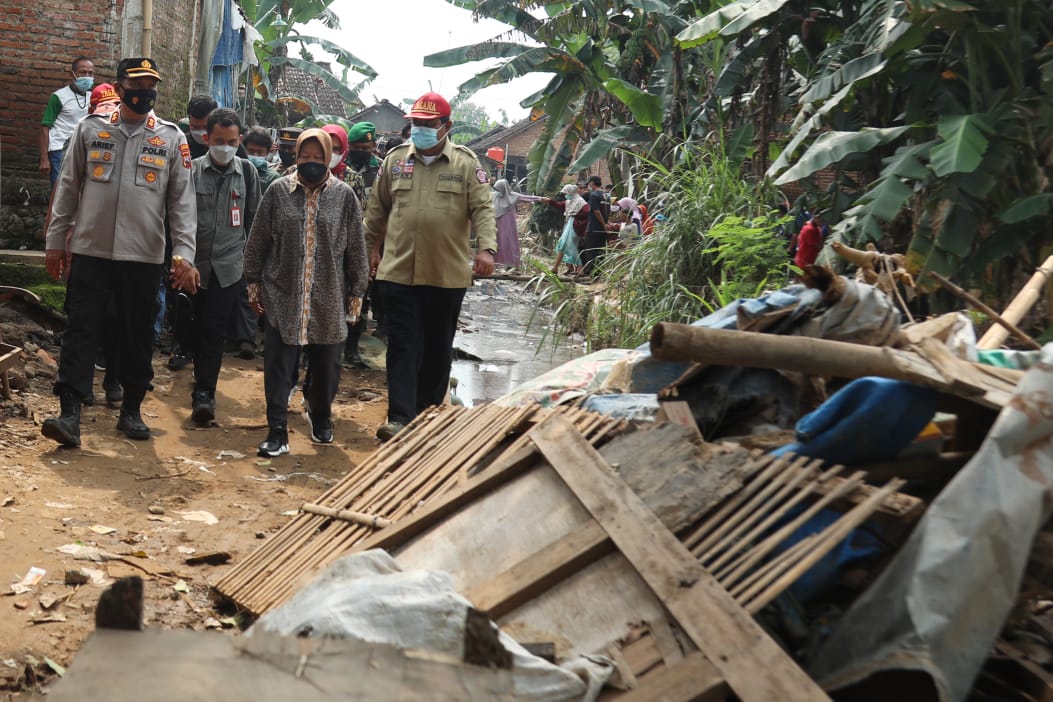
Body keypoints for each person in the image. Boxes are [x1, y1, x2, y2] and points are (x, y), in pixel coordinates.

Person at [41, 57, 200, 447]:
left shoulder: (170, 137)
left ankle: (131, 409)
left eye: (151, 85)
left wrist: (184, 254)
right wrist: (55, 242)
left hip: (143, 256)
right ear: (121, 85)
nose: (144, 91)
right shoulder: (89, 130)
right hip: (91, 251)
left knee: (137, 334)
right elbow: (68, 189)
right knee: (80, 330)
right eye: (137, 83)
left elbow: (182, 204)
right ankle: (70, 413)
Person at [364, 91, 497, 442]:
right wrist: (369, 250)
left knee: (438, 349)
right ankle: (399, 417)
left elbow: (483, 210)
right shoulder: (394, 161)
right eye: (416, 125)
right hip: (398, 271)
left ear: (446, 126)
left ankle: (425, 415)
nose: (420, 130)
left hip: (446, 274)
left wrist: (486, 250)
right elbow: (377, 210)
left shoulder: (467, 164)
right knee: (403, 345)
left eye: (428, 125)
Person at [243, 129, 368, 457]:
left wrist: (356, 295)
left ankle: (321, 415)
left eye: (317, 157)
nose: (310, 163)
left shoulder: (344, 197)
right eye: (304, 157)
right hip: (283, 293)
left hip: (328, 295)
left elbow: (356, 247)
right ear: (295, 156)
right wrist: (254, 286)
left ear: (328, 159)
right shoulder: (277, 192)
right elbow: (257, 242)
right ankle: (277, 431)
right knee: (279, 367)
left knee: (327, 367)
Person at [187, 108, 261, 425]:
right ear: (207, 138)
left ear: (238, 140)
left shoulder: (247, 173)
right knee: (192, 329)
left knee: (214, 332)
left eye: (231, 141)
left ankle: (205, 394)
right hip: (192, 266)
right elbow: (179, 218)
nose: (225, 147)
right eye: (219, 140)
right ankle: (196, 372)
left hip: (229, 267)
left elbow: (254, 222)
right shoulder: (191, 172)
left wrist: (251, 267)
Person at [41, 56, 94, 189]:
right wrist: (44, 158)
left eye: (90, 73)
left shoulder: (93, 97)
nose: (87, 76)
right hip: (59, 150)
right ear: (72, 74)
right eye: (83, 72)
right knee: (59, 190)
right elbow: (45, 128)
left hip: (83, 151)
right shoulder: (59, 96)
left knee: (80, 190)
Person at [492, 178, 543, 269]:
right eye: (496, 189)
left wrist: (540, 199)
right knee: (497, 241)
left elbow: (528, 198)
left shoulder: (513, 196)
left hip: (508, 224)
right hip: (496, 222)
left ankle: (511, 262)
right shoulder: (494, 196)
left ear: (504, 188)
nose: (498, 191)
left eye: (499, 189)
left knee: (508, 241)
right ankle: (497, 262)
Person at [547, 183, 588, 276]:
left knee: (568, 245)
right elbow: (559, 205)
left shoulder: (580, 202)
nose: (566, 195)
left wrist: (575, 216)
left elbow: (586, 213)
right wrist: (549, 201)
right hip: (569, 224)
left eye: (567, 193)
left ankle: (579, 268)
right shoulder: (569, 201)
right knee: (564, 244)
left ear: (572, 193)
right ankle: (559, 267)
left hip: (575, 226)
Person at [580, 175, 611, 275]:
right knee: (600, 252)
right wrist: (606, 225)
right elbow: (607, 211)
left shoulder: (593, 195)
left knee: (591, 252)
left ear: (592, 183)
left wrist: (603, 224)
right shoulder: (606, 195)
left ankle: (593, 275)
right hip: (603, 229)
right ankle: (599, 273)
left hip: (594, 228)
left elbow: (597, 212)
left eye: (589, 184)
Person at [346, 121, 381, 197]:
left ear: (374, 146)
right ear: (348, 144)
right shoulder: (340, 167)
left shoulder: (381, 168)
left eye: (365, 148)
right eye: (356, 147)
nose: (360, 151)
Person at [243, 126, 281, 192]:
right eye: (251, 151)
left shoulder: (272, 178)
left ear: (267, 152)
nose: (255, 155)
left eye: (259, 152)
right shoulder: (237, 172)